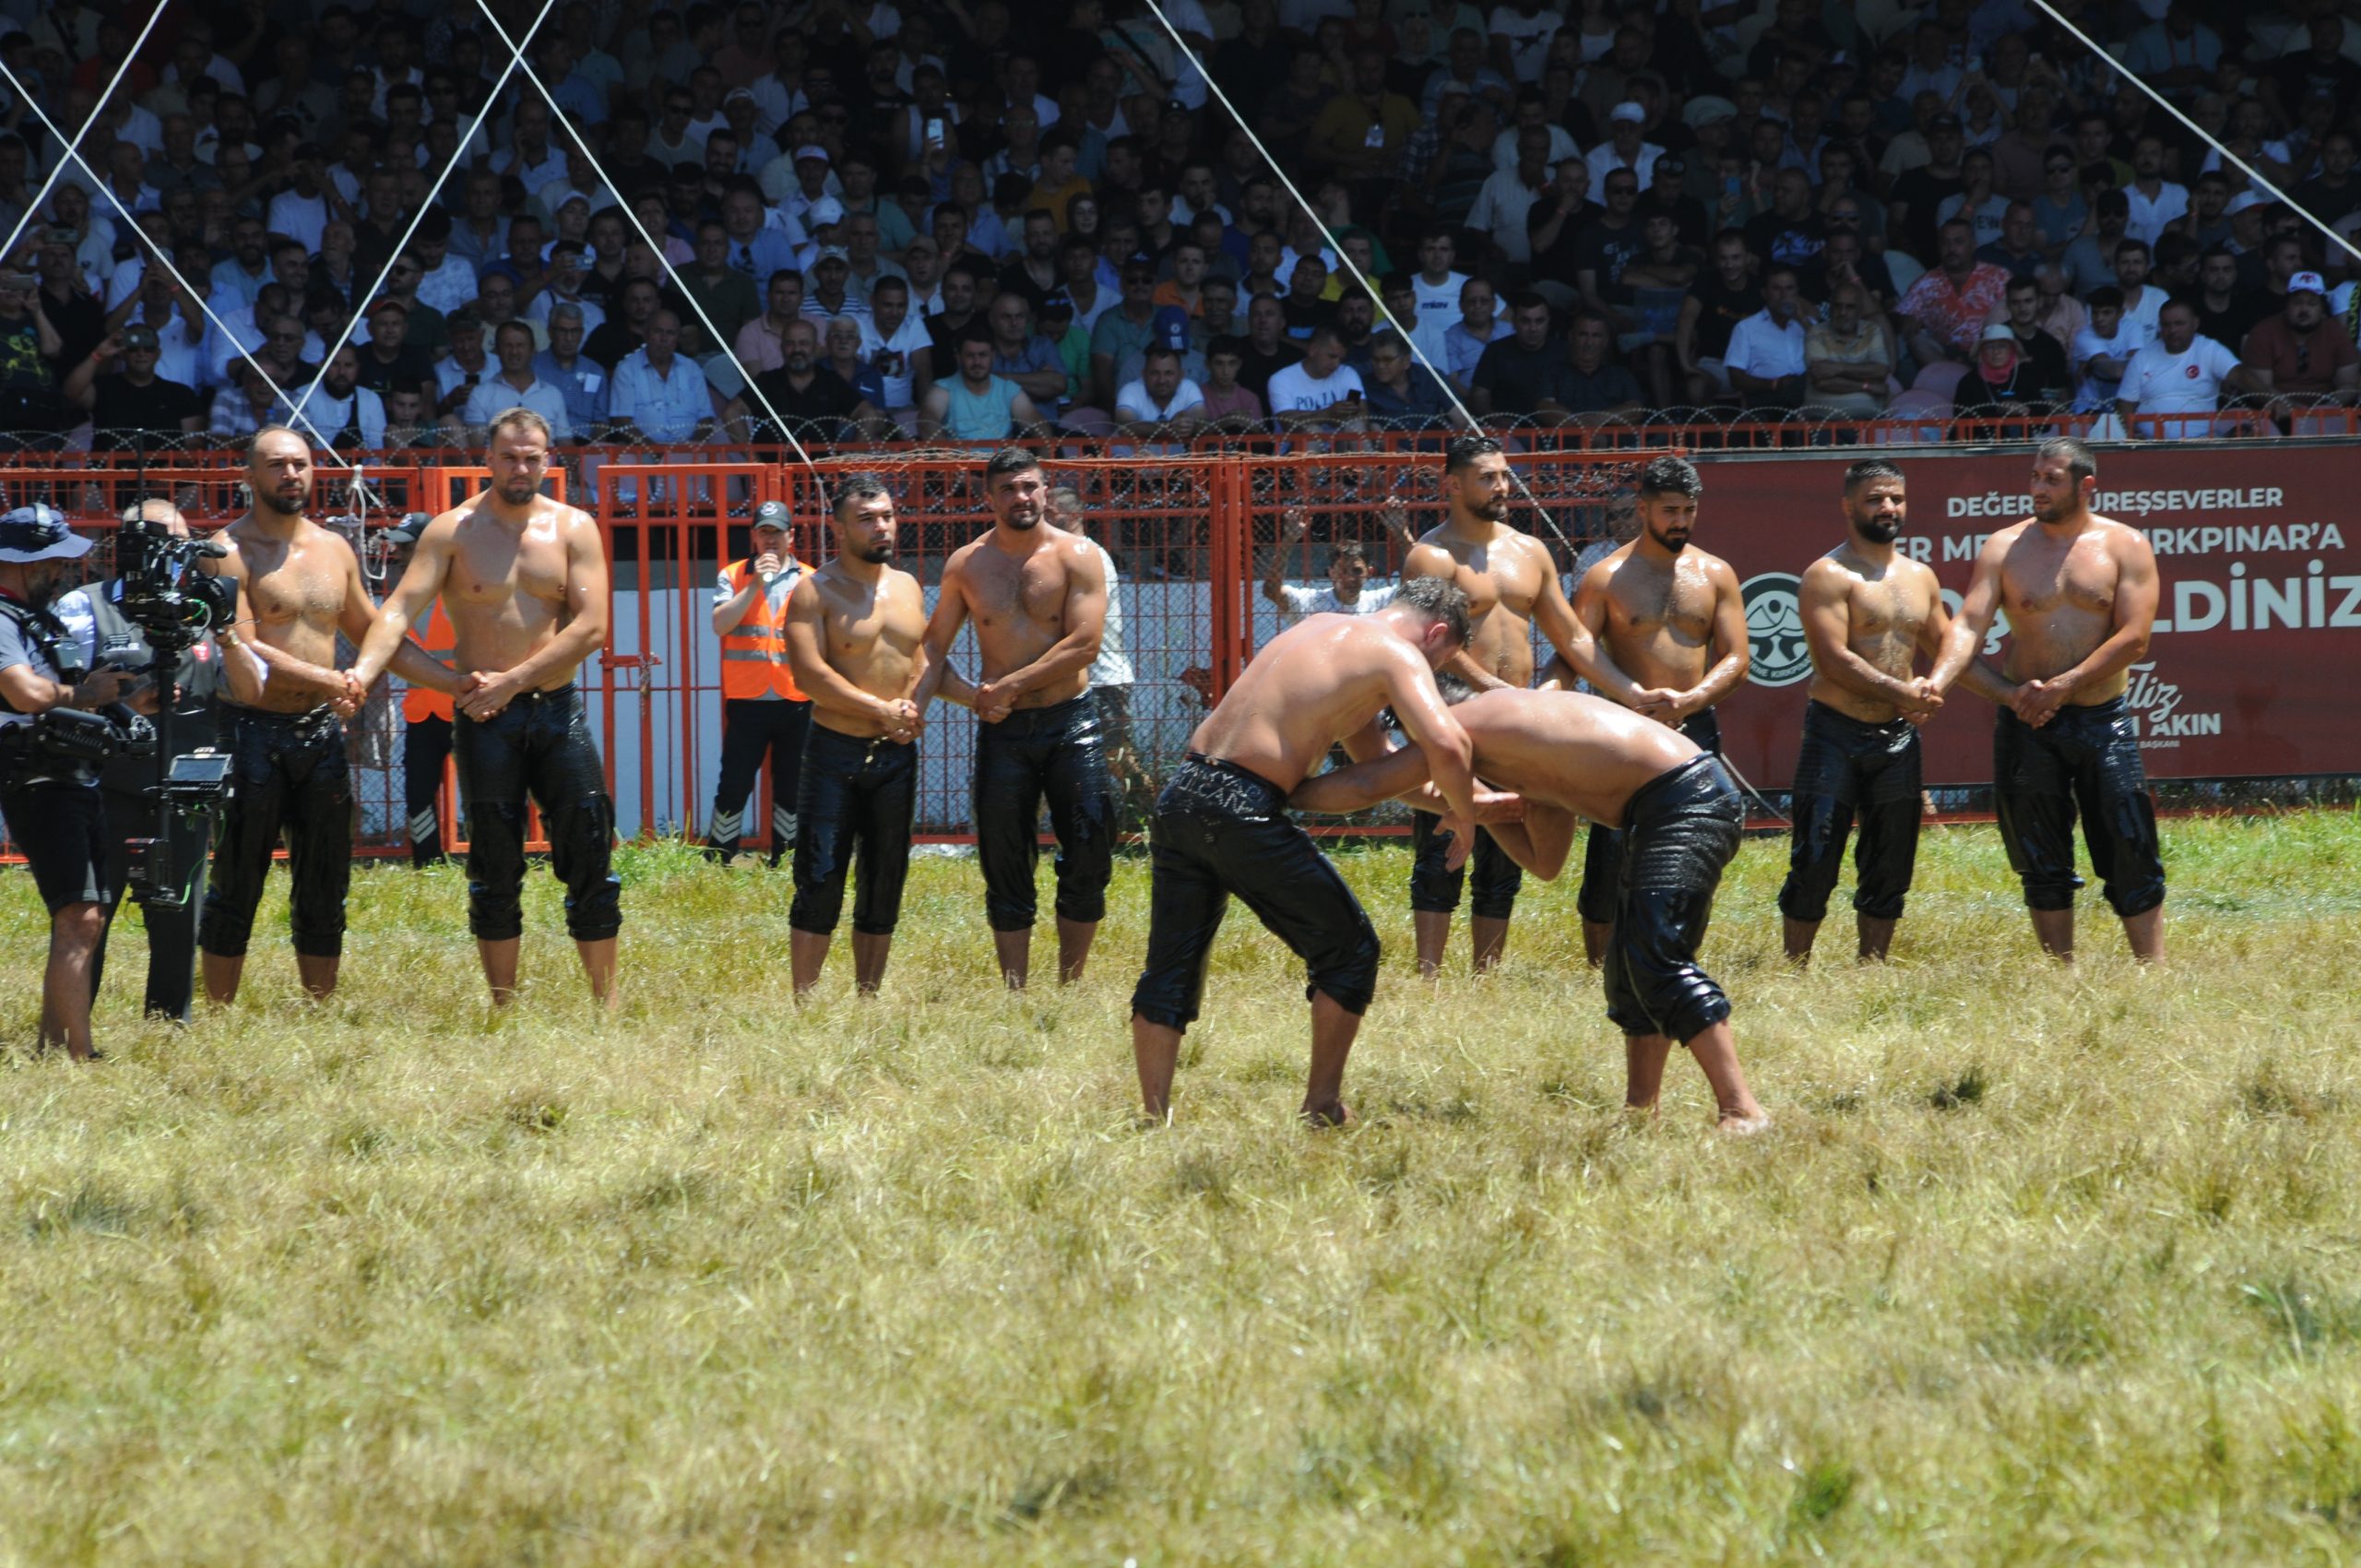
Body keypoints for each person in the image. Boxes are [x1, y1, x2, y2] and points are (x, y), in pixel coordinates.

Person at [1289, 679, 1767, 1131]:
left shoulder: (1469, 723)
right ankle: (1641, 1112)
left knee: (1657, 957)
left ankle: (1742, 1108)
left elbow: (1369, 786)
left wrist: (1277, 787)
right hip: (1662, 809)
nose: (1420, 754)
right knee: (1628, 973)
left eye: (1415, 739)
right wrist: (1481, 808)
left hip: (1687, 801)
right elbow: (1545, 862)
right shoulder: (1522, 747)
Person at [1129, 575, 1484, 1125]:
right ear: (1435, 634)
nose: (1430, 677)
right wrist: (1467, 817)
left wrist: (1455, 801)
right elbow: (1449, 742)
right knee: (1352, 950)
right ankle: (1321, 1104)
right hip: (1242, 805)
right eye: (1439, 666)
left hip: (1183, 795)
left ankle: (1153, 1116)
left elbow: (1374, 775)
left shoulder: (1322, 629)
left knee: (1170, 965)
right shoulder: (1395, 652)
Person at [352, 410, 622, 1005]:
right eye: (509, 456)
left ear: (549, 460)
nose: (521, 467)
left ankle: (608, 1003)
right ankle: (504, 1004)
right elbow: (395, 615)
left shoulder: (574, 529)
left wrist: (516, 679)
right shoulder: (453, 531)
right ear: (489, 460)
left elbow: (594, 627)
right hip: (484, 718)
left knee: (589, 847)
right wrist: (411, 678)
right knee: (493, 864)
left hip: (554, 708)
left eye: (532, 457)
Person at [198, 429, 454, 1004]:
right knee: (237, 876)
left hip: (318, 732)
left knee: (325, 878)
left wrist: (454, 683)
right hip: (249, 730)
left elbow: (379, 635)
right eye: (277, 465)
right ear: (249, 478)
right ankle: (217, 1015)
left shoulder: (335, 549)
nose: (291, 474)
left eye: (300, 464)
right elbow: (244, 647)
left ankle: (320, 1008)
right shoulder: (227, 552)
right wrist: (335, 680)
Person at [1399, 434, 1665, 975]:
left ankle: (1486, 975)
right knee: (1445, 835)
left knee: (1509, 835)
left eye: (1504, 475)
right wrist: (1493, 691)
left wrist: (1630, 692)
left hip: (1517, 716)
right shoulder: (1430, 555)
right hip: (1450, 708)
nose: (1502, 486)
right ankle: (1427, 978)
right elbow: (1429, 643)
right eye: (1488, 477)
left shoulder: (1529, 551)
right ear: (1452, 484)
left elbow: (1573, 640)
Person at [1928, 436, 2165, 962]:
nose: (2038, 488)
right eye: (2035, 477)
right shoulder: (2005, 547)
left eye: (2051, 479)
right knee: (2039, 850)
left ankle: (2153, 970)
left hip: (2101, 717)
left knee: (2128, 842)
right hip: (2028, 720)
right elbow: (1967, 625)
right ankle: (2060, 971)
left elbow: (2135, 637)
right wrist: (1943, 681)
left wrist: (2064, 685)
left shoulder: (2125, 545)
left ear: (2086, 485)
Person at [914, 447, 1114, 989]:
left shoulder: (1078, 556)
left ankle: (1070, 984)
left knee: (1089, 849)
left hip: (1071, 721)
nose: (1021, 498)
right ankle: (1015, 990)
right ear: (989, 497)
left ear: (1046, 491)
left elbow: (1084, 644)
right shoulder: (967, 565)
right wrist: (941, 701)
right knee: (1004, 857)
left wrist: (1007, 686)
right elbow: (933, 647)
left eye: (1029, 486)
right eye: (1008, 489)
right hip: (1004, 731)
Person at [1777, 461, 1983, 964]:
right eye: (1875, 499)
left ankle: (1873, 966)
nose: (1888, 508)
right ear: (1848, 506)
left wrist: (1941, 686)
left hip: (1896, 739)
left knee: (1891, 860)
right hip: (1834, 733)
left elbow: (1949, 643)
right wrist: (1905, 693)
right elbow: (1834, 660)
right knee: (1816, 854)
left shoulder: (1920, 576)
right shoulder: (1826, 575)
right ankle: (1794, 966)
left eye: (1895, 498)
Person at [1560, 456, 1748, 968]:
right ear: (1642, 509)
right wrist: (1629, 693)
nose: (1680, 521)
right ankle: (1598, 967)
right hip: (1627, 729)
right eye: (1669, 511)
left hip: (1694, 724)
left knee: (1693, 847)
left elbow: (1737, 657)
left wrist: (1693, 699)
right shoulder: (1606, 576)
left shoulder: (1715, 573)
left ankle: (1676, 954)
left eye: (1688, 510)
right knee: (1610, 850)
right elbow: (1578, 649)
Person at [57, 499, 243, 1020]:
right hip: (105, 792)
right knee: (89, 915)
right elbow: (54, 700)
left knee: (180, 921)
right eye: (165, 543)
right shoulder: (84, 607)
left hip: (183, 793)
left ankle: (167, 1029)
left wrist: (227, 630)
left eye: (184, 544)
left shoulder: (202, 607)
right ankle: (73, 1027)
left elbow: (249, 686)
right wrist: (124, 702)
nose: (176, 556)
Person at [0, 505, 137, 1059]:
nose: (62, 571)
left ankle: (55, 1046)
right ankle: (78, 1059)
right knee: (78, 915)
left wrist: (129, 699)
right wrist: (87, 696)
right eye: (53, 561)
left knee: (86, 915)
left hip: (70, 776)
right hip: (36, 777)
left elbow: (64, 688)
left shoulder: (36, 615)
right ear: (22, 564)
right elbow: (25, 695)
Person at [781, 477, 926, 998]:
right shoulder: (814, 590)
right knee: (819, 874)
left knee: (885, 878)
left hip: (896, 755)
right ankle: (806, 1001)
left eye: (886, 515)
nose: (880, 525)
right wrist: (880, 708)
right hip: (834, 752)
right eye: (866, 518)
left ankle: (868, 997)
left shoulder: (908, 586)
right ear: (839, 527)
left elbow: (922, 662)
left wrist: (917, 705)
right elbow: (809, 676)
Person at [705, 500, 812, 866]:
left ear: (790, 536)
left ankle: (787, 858)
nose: (771, 540)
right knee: (733, 782)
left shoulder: (810, 578)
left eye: (777, 532)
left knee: (792, 784)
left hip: (795, 698)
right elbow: (721, 624)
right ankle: (720, 857)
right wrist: (754, 587)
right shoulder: (732, 575)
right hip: (748, 698)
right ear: (754, 535)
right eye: (764, 532)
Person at [380, 514, 457, 867]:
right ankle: (428, 864)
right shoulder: (404, 592)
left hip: (464, 706)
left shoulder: (461, 586)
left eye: (407, 546)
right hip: (421, 713)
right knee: (417, 796)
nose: (399, 552)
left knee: (485, 792)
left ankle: (496, 859)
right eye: (398, 545)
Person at [2114, 299, 2261, 439]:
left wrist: (2273, 399)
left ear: (2195, 323)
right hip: (2151, 446)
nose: (2172, 330)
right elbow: (2125, 403)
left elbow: (2240, 376)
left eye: (2179, 324)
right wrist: (2132, 433)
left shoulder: (2209, 350)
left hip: (2202, 445)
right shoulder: (2142, 357)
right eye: (2166, 325)